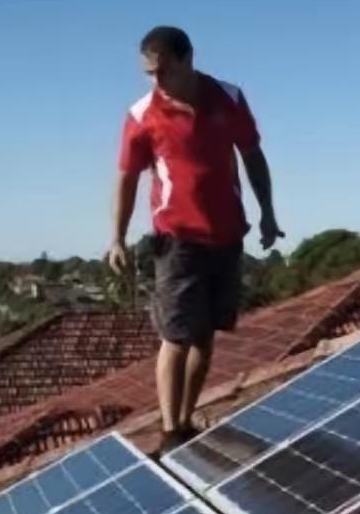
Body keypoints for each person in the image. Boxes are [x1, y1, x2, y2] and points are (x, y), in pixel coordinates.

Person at [106, 26, 282, 457]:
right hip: (176, 239)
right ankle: (169, 430)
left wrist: (268, 212)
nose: (156, 80)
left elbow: (253, 155)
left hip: (225, 234)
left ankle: (186, 420)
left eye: (163, 71)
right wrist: (117, 238)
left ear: (188, 59)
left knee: (206, 335)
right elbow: (127, 178)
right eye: (149, 73)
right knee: (176, 335)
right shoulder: (142, 114)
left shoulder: (229, 98)